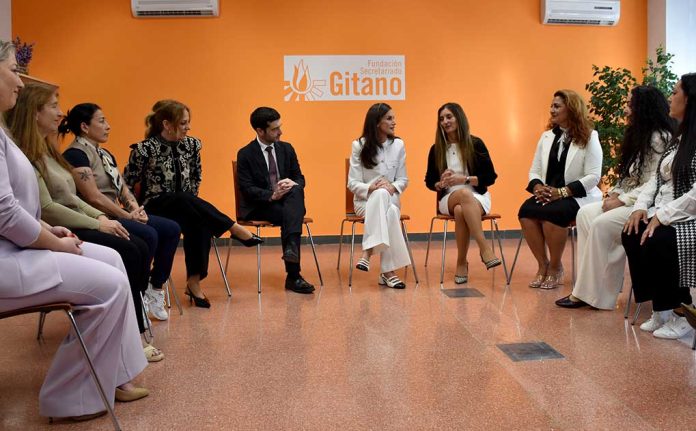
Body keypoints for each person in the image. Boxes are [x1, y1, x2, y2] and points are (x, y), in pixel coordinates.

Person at [0, 38, 148, 422]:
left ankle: (116, 374)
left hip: (19, 246)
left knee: (112, 259)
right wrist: (53, 240)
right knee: (109, 285)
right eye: (14, 71)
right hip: (8, 259)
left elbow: (22, 207)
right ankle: (71, 397)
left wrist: (51, 230)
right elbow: (5, 213)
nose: (20, 82)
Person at [5, 83, 164, 362]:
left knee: (140, 243)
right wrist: (100, 223)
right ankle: (130, 330)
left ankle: (132, 320)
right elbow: (48, 207)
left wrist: (101, 217)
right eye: (53, 106)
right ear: (34, 113)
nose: (60, 114)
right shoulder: (28, 153)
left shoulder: (49, 150)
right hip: (57, 229)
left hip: (65, 224)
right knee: (130, 249)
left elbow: (73, 198)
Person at [124, 100, 262, 308]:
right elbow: (126, 183)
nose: (188, 127)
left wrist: (191, 206)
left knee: (199, 222)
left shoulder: (192, 145)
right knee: (182, 198)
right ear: (166, 124)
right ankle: (232, 227)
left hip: (185, 205)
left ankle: (193, 283)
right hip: (155, 206)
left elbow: (197, 177)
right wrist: (134, 211)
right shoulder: (144, 149)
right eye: (183, 123)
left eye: (188, 122)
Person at [61, 103, 181, 321]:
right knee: (149, 235)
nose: (108, 126)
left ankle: (154, 288)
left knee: (171, 228)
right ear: (85, 127)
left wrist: (135, 209)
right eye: (102, 121)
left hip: (118, 213)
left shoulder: (104, 154)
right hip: (97, 217)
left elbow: (123, 188)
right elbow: (93, 197)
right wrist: (127, 216)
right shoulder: (76, 154)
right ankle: (137, 293)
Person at [556, 86, 673, 308]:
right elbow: (628, 175)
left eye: (630, 105)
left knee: (601, 224)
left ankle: (591, 296)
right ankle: (592, 290)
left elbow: (654, 183)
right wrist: (614, 192)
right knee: (585, 214)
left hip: (647, 205)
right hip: (629, 198)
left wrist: (622, 200)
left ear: (643, 108)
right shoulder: (638, 135)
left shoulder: (660, 138)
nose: (626, 110)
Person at [621, 74, 696, 340]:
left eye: (674, 92)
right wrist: (640, 208)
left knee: (660, 239)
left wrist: (663, 216)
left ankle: (682, 312)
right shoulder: (679, 136)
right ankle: (660, 307)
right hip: (667, 210)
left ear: (689, 99)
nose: (669, 98)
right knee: (632, 232)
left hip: (688, 215)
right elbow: (655, 179)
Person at [518, 89, 602, 289]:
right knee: (526, 212)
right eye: (551, 106)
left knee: (553, 214)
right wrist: (538, 186)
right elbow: (535, 170)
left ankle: (556, 267)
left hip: (577, 195)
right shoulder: (547, 136)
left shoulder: (590, 137)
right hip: (550, 193)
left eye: (557, 106)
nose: (551, 110)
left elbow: (593, 176)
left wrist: (562, 192)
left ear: (571, 109)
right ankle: (543, 265)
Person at [236, 107, 314, 294]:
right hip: (261, 205)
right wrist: (272, 195)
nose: (280, 132)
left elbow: (300, 178)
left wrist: (292, 183)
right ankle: (293, 275)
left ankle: (292, 258)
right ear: (260, 131)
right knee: (292, 214)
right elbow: (247, 189)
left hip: (287, 202)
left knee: (296, 190)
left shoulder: (287, 149)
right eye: (275, 129)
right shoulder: (245, 154)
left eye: (280, 126)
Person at [424, 102, 501, 284]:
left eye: (449, 117)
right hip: (448, 198)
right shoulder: (436, 149)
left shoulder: (476, 144)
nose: (445, 121)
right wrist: (440, 183)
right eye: (441, 119)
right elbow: (429, 181)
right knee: (463, 196)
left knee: (461, 210)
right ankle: (484, 248)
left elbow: (490, 177)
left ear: (459, 118)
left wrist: (464, 179)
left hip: (478, 197)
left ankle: (461, 263)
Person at [348, 103, 412, 289]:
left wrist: (392, 187)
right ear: (377, 122)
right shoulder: (359, 146)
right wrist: (371, 187)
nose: (394, 122)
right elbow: (352, 183)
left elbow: (403, 179)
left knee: (385, 197)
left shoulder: (398, 145)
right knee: (390, 212)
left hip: (391, 198)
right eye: (389, 118)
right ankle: (387, 273)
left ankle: (367, 252)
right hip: (364, 202)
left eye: (394, 118)